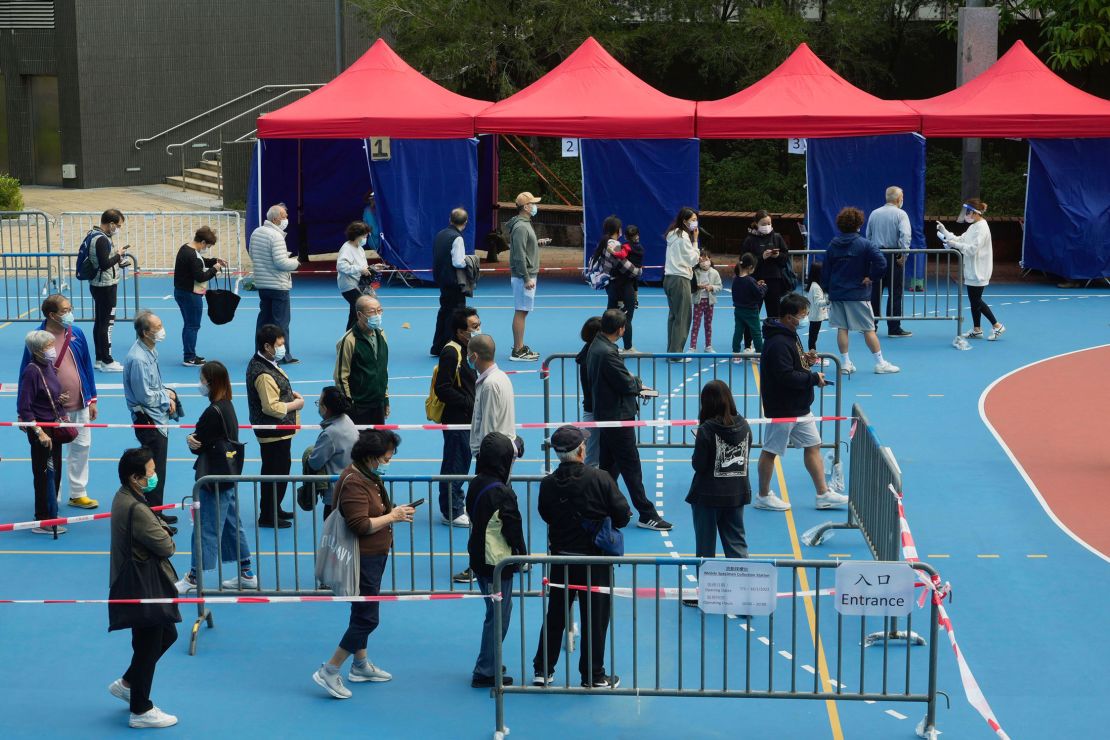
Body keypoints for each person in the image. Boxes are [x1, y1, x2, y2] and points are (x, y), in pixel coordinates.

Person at [312, 430, 415, 699]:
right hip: (363, 558)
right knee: (368, 618)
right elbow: (360, 524)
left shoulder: (367, 475)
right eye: (388, 452)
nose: (391, 456)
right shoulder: (355, 482)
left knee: (361, 613)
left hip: (373, 557)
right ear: (372, 455)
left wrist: (394, 513)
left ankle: (360, 665)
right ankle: (331, 669)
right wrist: (393, 516)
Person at [533, 425, 630, 688]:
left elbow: (546, 514)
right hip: (594, 561)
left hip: (561, 558)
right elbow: (623, 513)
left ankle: (543, 669)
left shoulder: (548, 484)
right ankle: (593, 674)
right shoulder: (601, 478)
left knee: (556, 613)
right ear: (582, 450)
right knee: (595, 618)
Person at [108, 447, 180, 728]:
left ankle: (128, 682)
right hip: (143, 586)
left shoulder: (123, 496)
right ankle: (140, 708)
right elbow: (166, 546)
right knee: (149, 643)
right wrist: (163, 530)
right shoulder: (137, 508)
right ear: (135, 477)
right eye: (150, 472)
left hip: (139, 581)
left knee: (165, 634)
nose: (155, 476)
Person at [755, 293, 848, 512]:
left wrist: (805, 359)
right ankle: (762, 495)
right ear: (788, 317)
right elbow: (785, 376)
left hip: (799, 406)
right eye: (803, 315)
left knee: (813, 445)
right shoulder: (778, 342)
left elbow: (793, 364)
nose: (805, 318)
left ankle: (823, 494)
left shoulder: (790, 334)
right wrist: (814, 378)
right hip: (784, 407)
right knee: (770, 451)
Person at [588, 309, 672, 531]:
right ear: (621, 329)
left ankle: (605, 505)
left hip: (607, 415)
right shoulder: (606, 353)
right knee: (631, 467)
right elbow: (625, 383)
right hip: (617, 418)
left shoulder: (597, 346)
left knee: (609, 467)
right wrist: (638, 384)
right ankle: (646, 513)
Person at [177, 361, 256, 592]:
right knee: (232, 523)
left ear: (211, 382)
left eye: (202, 380)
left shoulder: (213, 412)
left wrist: (191, 440)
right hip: (227, 475)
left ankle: (193, 577)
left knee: (205, 525)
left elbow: (198, 441)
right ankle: (246, 572)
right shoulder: (228, 405)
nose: (200, 384)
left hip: (212, 478)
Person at [19, 294, 99, 509]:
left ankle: (78, 493)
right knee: (52, 454)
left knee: (82, 446)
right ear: (52, 314)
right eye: (65, 310)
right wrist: (23, 415)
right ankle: (51, 496)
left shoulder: (77, 333)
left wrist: (92, 398)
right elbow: (25, 374)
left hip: (79, 402)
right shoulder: (37, 339)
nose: (70, 313)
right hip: (50, 410)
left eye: (70, 308)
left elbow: (86, 365)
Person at [467, 432, 528, 688]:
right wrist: (523, 555)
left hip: (479, 558)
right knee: (499, 616)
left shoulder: (476, 482)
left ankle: (491, 660)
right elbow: (512, 528)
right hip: (497, 562)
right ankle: (485, 669)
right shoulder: (503, 493)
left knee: (495, 613)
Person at [821, 207, 900, 375]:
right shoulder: (865, 244)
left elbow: (826, 270)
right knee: (868, 329)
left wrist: (828, 289)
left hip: (837, 293)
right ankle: (880, 363)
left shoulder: (833, 244)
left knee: (842, 329)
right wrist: (871, 277)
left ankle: (846, 363)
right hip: (857, 294)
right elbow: (881, 263)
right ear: (859, 225)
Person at [123, 312, 179, 533]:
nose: (162, 329)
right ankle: (152, 520)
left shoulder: (150, 350)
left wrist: (167, 394)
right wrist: (167, 397)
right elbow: (145, 396)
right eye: (157, 326)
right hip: (149, 419)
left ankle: (157, 511)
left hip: (158, 416)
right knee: (152, 471)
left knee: (159, 468)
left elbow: (155, 386)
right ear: (145, 332)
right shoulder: (137, 359)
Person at [686, 380, 751, 563]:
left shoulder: (706, 430)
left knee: (705, 552)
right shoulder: (744, 425)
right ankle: (743, 585)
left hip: (707, 496)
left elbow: (698, 465)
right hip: (736, 493)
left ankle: (707, 590)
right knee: (737, 546)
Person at [247, 323, 305, 528]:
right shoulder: (262, 373)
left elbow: (276, 392)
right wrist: (295, 404)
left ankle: (274, 507)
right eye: (279, 344)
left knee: (279, 471)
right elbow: (271, 407)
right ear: (267, 346)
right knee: (275, 472)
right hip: (272, 431)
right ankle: (268, 515)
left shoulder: (266, 362)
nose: (283, 348)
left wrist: (289, 394)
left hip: (278, 431)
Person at [435, 307, 481, 527]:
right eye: (474, 327)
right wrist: (468, 403)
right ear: (460, 331)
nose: (478, 329)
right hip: (457, 419)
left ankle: (455, 504)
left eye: (478, 325)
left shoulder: (469, 349)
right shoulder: (451, 352)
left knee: (462, 462)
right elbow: (442, 388)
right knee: (455, 463)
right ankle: (451, 511)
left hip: (468, 417)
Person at [18, 330, 67, 533]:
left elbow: (46, 395)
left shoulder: (48, 366)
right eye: (48, 346)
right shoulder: (31, 371)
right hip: (42, 431)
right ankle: (42, 518)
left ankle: (51, 512)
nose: (52, 350)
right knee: (44, 474)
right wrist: (39, 432)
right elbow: (24, 407)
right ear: (37, 350)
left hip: (53, 427)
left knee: (55, 472)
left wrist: (58, 400)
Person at [937, 198, 1005, 341]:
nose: (966, 214)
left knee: (976, 300)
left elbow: (973, 249)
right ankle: (977, 329)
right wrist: (946, 232)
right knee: (974, 300)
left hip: (979, 270)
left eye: (968, 212)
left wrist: (953, 244)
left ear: (975, 212)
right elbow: (961, 240)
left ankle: (997, 325)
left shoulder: (982, 227)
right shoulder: (974, 226)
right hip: (972, 270)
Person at [249, 203, 301, 365]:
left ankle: (260, 352)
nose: (287, 219)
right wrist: (295, 263)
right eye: (285, 216)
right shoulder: (276, 236)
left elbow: (253, 254)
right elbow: (280, 263)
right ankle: (283, 355)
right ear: (276, 218)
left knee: (264, 320)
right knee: (281, 323)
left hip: (262, 284)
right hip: (278, 285)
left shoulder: (256, 232)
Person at [173, 225, 227, 366]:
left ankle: (189, 354)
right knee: (192, 325)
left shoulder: (186, 248)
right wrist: (215, 269)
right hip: (191, 294)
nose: (207, 248)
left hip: (181, 292)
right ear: (203, 242)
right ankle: (189, 357)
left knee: (189, 324)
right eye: (208, 246)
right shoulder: (193, 256)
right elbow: (201, 276)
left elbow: (201, 262)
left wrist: (215, 261)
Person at [334, 295, 389, 425]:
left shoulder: (381, 334)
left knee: (377, 443)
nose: (377, 315)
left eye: (379, 310)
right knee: (359, 444)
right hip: (359, 406)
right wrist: (349, 407)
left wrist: (385, 399)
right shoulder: (348, 340)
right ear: (359, 315)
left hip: (378, 403)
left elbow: (383, 370)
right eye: (371, 311)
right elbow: (341, 377)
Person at [866, 186, 913, 338]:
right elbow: (905, 235)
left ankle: (871, 325)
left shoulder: (874, 213)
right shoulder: (901, 214)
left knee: (875, 292)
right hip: (893, 255)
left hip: (876, 254)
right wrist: (904, 254)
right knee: (895, 292)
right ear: (899, 198)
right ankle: (894, 327)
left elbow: (868, 235)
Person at [87, 208, 131, 371]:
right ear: (111, 224)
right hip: (105, 285)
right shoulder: (102, 239)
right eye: (118, 226)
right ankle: (107, 360)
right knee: (106, 323)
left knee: (100, 322)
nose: (118, 229)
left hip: (99, 284)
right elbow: (105, 264)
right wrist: (119, 255)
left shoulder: (94, 235)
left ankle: (100, 358)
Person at [591, 215, 642, 353]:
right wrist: (639, 271)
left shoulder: (604, 243)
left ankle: (604, 343)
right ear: (618, 230)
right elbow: (627, 267)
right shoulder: (615, 245)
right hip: (623, 286)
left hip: (611, 285)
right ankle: (628, 348)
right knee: (626, 317)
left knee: (609, 315)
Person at [307, 386, 359, 519]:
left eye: (320, 402)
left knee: (331, 536)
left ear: (327, 408)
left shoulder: (330, 434)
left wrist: (308, 454)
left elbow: (314, 463)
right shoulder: (347, 420)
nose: (318, 405)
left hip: (336, 495)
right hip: (353, 488)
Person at [508, 192, 548, 362]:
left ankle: (520, 347)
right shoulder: (521, 227)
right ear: (525, 207)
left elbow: (523, 246)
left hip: (526, 274)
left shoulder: (524, 224)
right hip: (524, 276)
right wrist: (526, 278)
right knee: (521, 311)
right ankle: (518, 350)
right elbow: (518, 254)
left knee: (522, 311)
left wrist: (536, 242)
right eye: (532, 203)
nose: (534, 206)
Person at [468, 334, 516, 457]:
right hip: (500, 450)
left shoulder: (490, 384)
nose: (467, 357)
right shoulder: (502, 377)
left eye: (468, 354)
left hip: (492, 455)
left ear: (475, 356)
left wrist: (484, 456)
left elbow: (488, 427)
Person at [431, 208, 471, 356]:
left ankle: (438, 346)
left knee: (444, 312)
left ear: (450, 219)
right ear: (465, 222)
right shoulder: (457, 238)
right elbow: (458, 262)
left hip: (442, 279)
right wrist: (470, 261)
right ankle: (452, 347)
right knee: (456, 314)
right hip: (454, 282)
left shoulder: (441, 234)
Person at [663, 207, 701, 359]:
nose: (695, 222)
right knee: (683, 317)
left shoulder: (672, 234)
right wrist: (696, 242)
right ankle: (676, 354)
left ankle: (672, 350)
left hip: (669, 278)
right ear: (684, 221)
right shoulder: (683, 236)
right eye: (692, 220)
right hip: (680, 278)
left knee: (674, 315)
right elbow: (692, 259)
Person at [741, 210, 790, 319]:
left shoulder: (777, 237)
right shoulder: (750, 240)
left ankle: (774, 335)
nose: (767, 226)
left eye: (769, 223)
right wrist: (761, 257)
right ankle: (749, 336)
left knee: (774, 313)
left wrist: (777, 256)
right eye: (763, 224)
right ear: (756, 224)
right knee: (753, 312)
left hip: (774, 279)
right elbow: (744, 261)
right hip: (755, 280)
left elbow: (785, 257)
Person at [574, 316, 603, 467]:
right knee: (591, 458)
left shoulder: (589, 353)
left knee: (592, 454)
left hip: (593, 408)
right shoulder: (591, 357)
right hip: (593, 409)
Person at [336, 221, 373, 332]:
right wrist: (360, 269)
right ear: (357, 235)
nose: (366, 237)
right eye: (364, 235)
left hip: (358, 284)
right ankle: (351, 337)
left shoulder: (360, 248)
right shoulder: (347, 248)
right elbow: (341, 266)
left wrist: (373, 268)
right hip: (349, 286)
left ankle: (350, 338)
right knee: (360, 310)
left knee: (355, 313)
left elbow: (362, 266)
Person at [732, 254, 766, 355]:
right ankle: (760, 353)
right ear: (751, 267)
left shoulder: (736, 279)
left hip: (738, 310)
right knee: (756, 332)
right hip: (751, 311)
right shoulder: (750, 281)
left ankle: (735, 353)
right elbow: (759, 294)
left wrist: (756, 284)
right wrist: (764, 287)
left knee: (738, 331)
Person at [690, 250, 723, 352]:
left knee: (708, 324)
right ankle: (692, 347)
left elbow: (720, 286)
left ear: (710, 260)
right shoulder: (695, 272)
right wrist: (697, 287)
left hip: (709, 302)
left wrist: (712, 287)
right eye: (702, 259)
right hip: (698, 302)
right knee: (696, 324)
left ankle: (708, 346)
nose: (704, 262)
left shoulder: (714, 272)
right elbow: (691, 286)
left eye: (706, 259)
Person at [804, 263, 830, 357]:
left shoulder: (815, 285)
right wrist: (828, 301)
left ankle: (812, 353)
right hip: (815, 316)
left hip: (816, 315)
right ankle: (812, 355)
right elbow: (818, 302)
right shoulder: (816, 287)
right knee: (813, 337)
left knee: (813, 336)